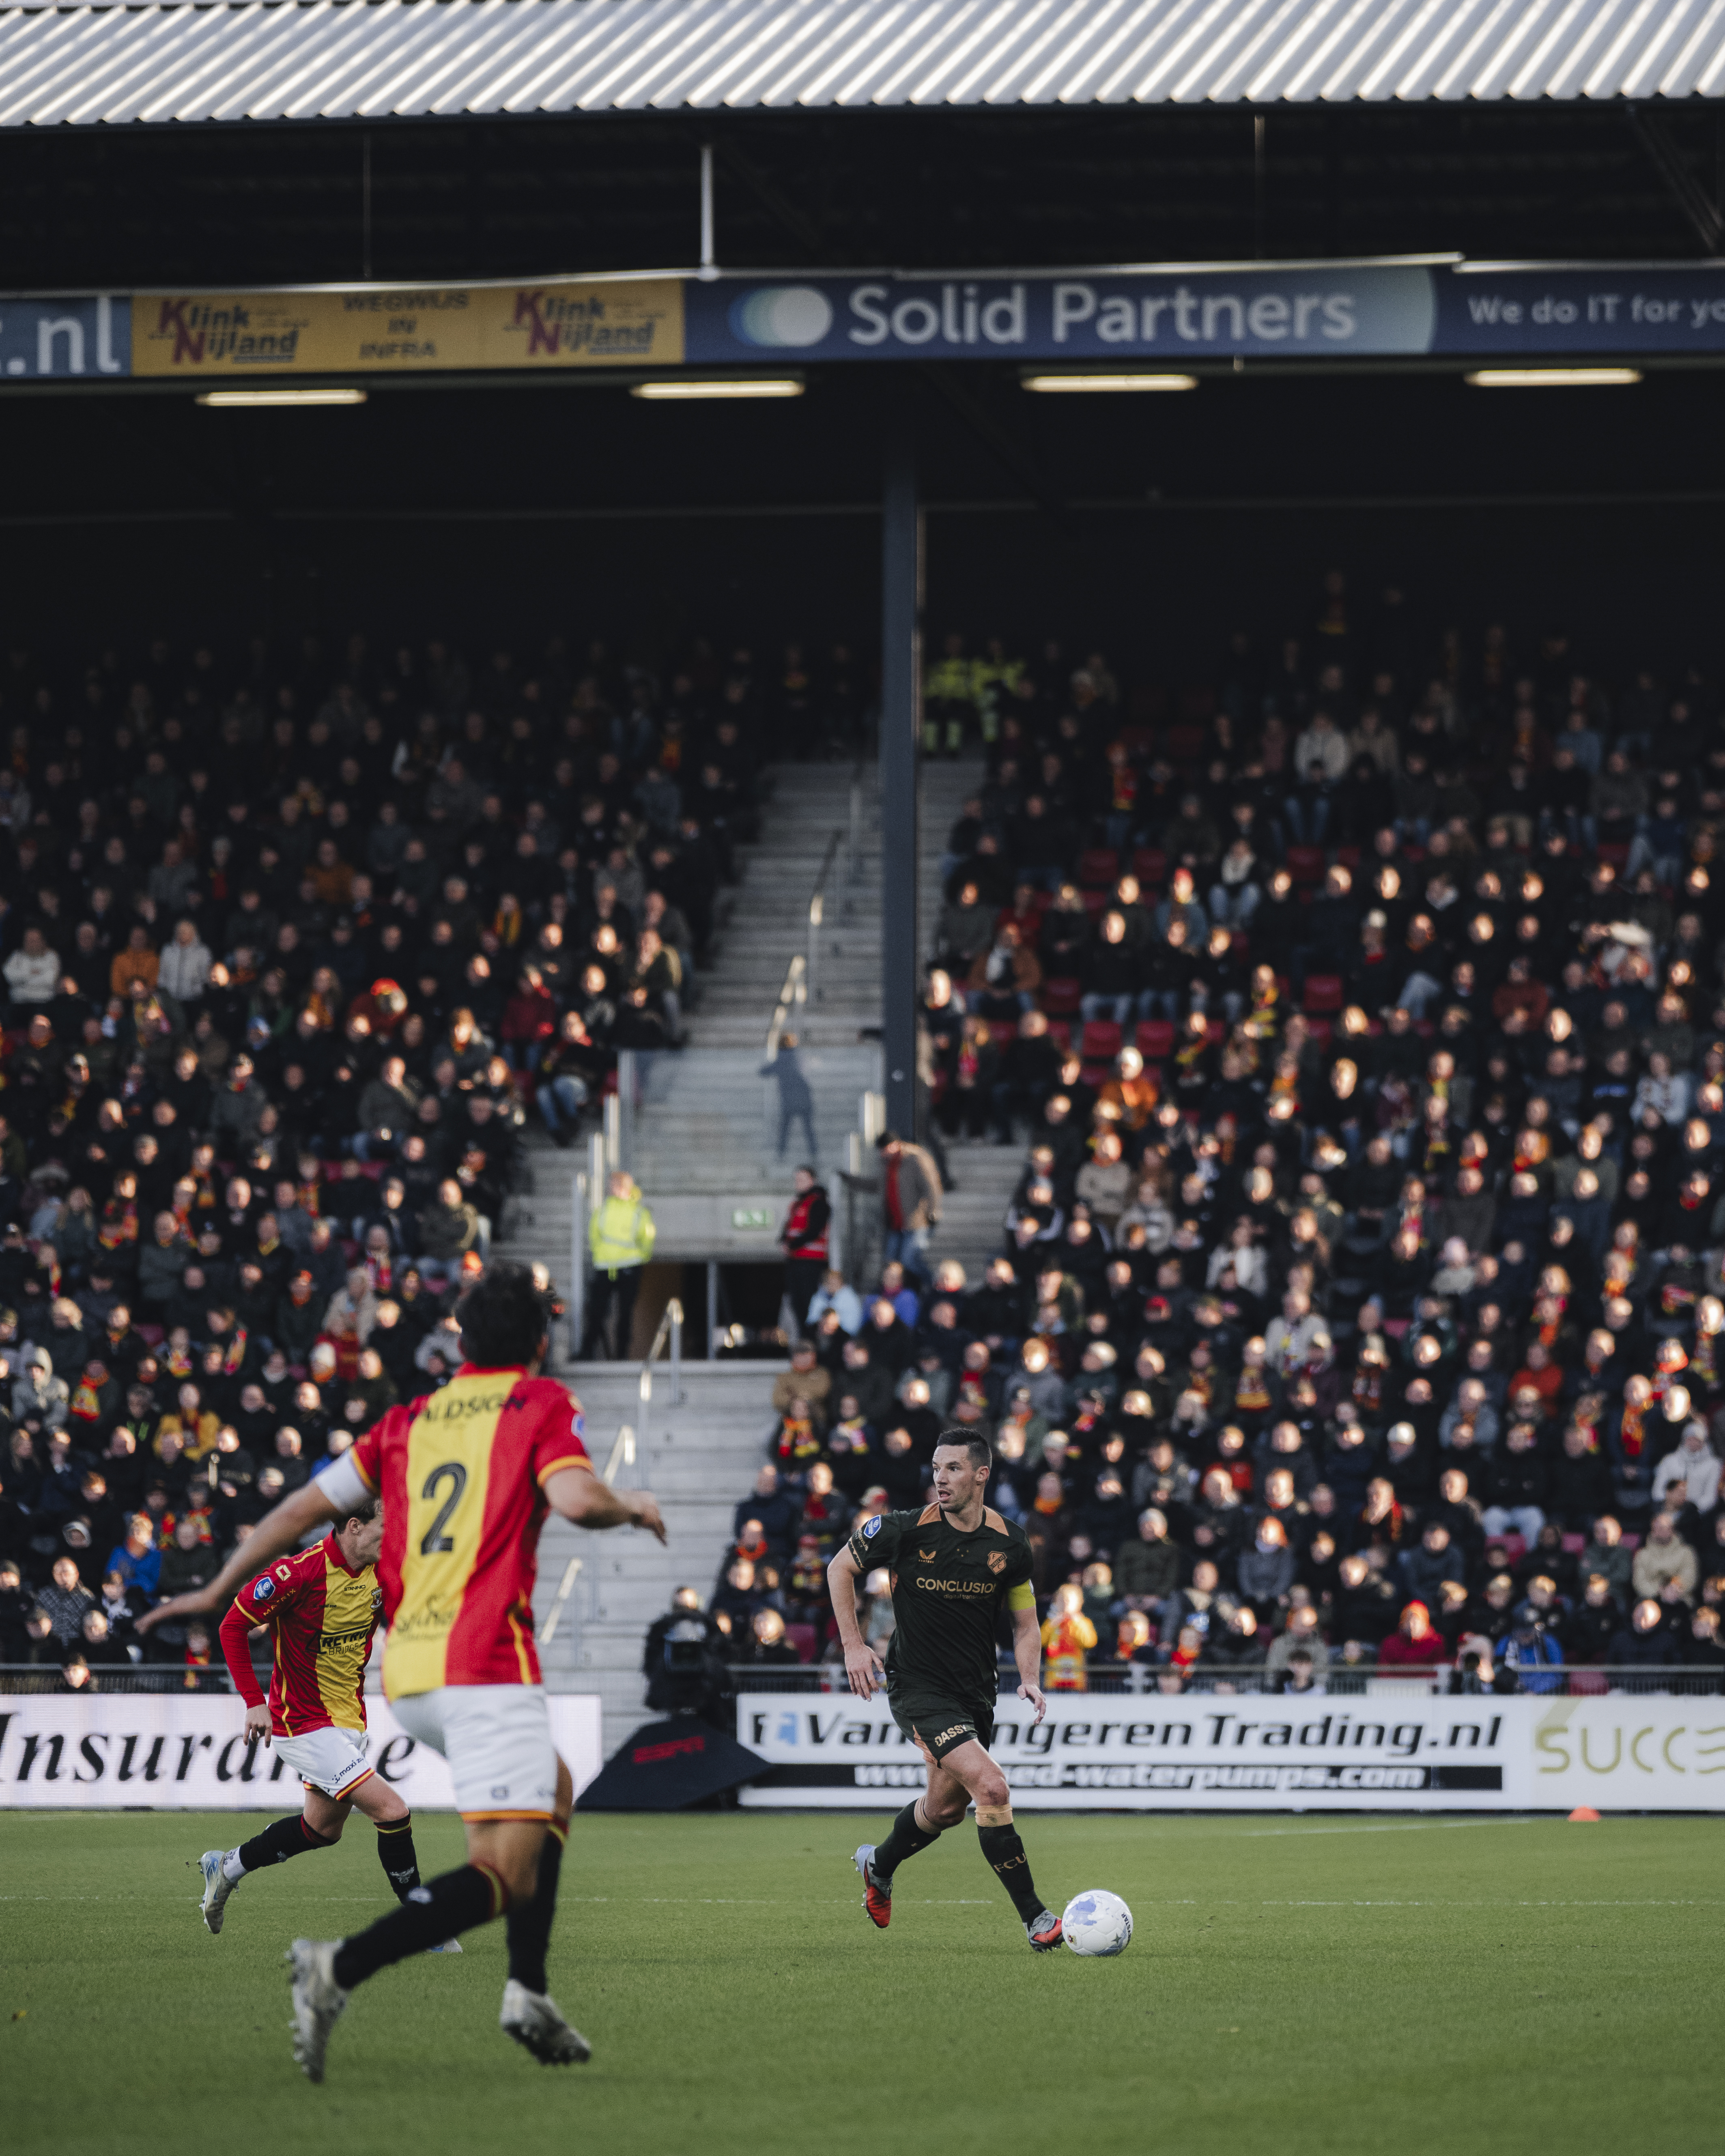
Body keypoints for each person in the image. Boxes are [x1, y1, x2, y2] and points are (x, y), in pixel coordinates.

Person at [138, 1260, 667, 2081]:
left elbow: (291, 1512)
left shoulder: (406, 1418)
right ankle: (338, 1966)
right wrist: (631, 1502)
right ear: (537, 1338)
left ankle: (527, 1987)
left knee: (553, 1789)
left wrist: (212, 1586)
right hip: (486, 1662)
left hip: (410, 1672)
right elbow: (574, 1499)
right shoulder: (538, 1401)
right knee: (501, 1866)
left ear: (461, 1336)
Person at [826, 1430, 1063, 1952]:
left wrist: (1030, 1677)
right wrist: (853, 1645)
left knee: (945, 1810)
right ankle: (1035, 1917)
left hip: (976, 1692)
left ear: (982, 1474)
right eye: (936, 1467)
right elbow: (839, 1566)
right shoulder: (903, 1529)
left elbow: (1026, 1623)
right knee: (993, 1787)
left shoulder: (1010, 1543)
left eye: (954, 1468)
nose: (940, 1477)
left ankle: (878, 1863)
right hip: (917, 1686)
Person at [185, 1498, 445, 1945]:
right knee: (393, 1810)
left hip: (348, 1720)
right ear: (355, 1526)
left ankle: (225, 1866)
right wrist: (254, 1700)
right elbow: (232, 1625)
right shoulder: (297, 1573)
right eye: (386, 1527)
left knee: (321, 1829)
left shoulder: (384, 1572)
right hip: (300, 1722)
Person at [582, 1169, 655, 1360]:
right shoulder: (604, 1209)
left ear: (624, 1188)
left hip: (629, 1267)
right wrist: (600, 1256)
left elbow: (647, 1238)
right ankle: (588, 1351)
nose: (610, 1189)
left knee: (625, 1315)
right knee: (596, 1312)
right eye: (610, 1185)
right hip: (605, 1266)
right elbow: (594, 1235)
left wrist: (639, 1258)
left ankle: (621, 1355)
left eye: (613, 1185)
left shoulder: (638, 1211)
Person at [778, 1165, 830, 1339]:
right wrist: (783, 1241)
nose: (798, 1183)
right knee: (797, 1304)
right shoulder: (796, 1204)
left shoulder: (818, 1203)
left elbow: (814, 1231)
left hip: (811, 1263)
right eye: (796, 1180)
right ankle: (804, 1341)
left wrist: (791, 1245)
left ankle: (812, 1342)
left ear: (812, 1181)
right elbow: (788, 1228)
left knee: (809, 1305)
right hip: (796, 1262)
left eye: (802, 1179)